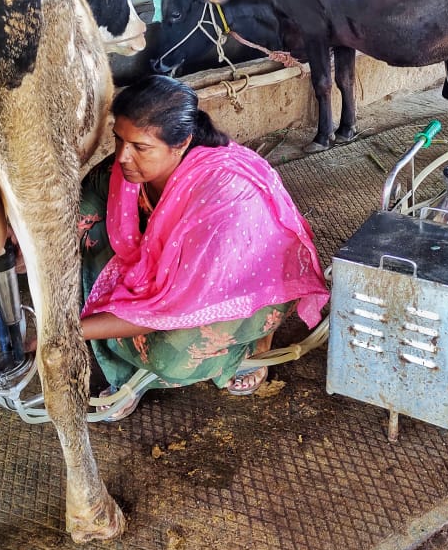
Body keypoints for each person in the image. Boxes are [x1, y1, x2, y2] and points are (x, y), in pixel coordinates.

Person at [78, 75, 328, 419]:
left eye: (140, 147)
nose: (122, 156)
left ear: (180, 144)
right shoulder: (125, 170)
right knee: (88, 249)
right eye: (118, 140)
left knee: (171, 358)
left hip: (245, 291)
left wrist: (65, 331)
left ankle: (247, 348)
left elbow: (167, 307)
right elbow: (76, 214)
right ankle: (126, 375)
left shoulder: (223, 198)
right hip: (176, 283)